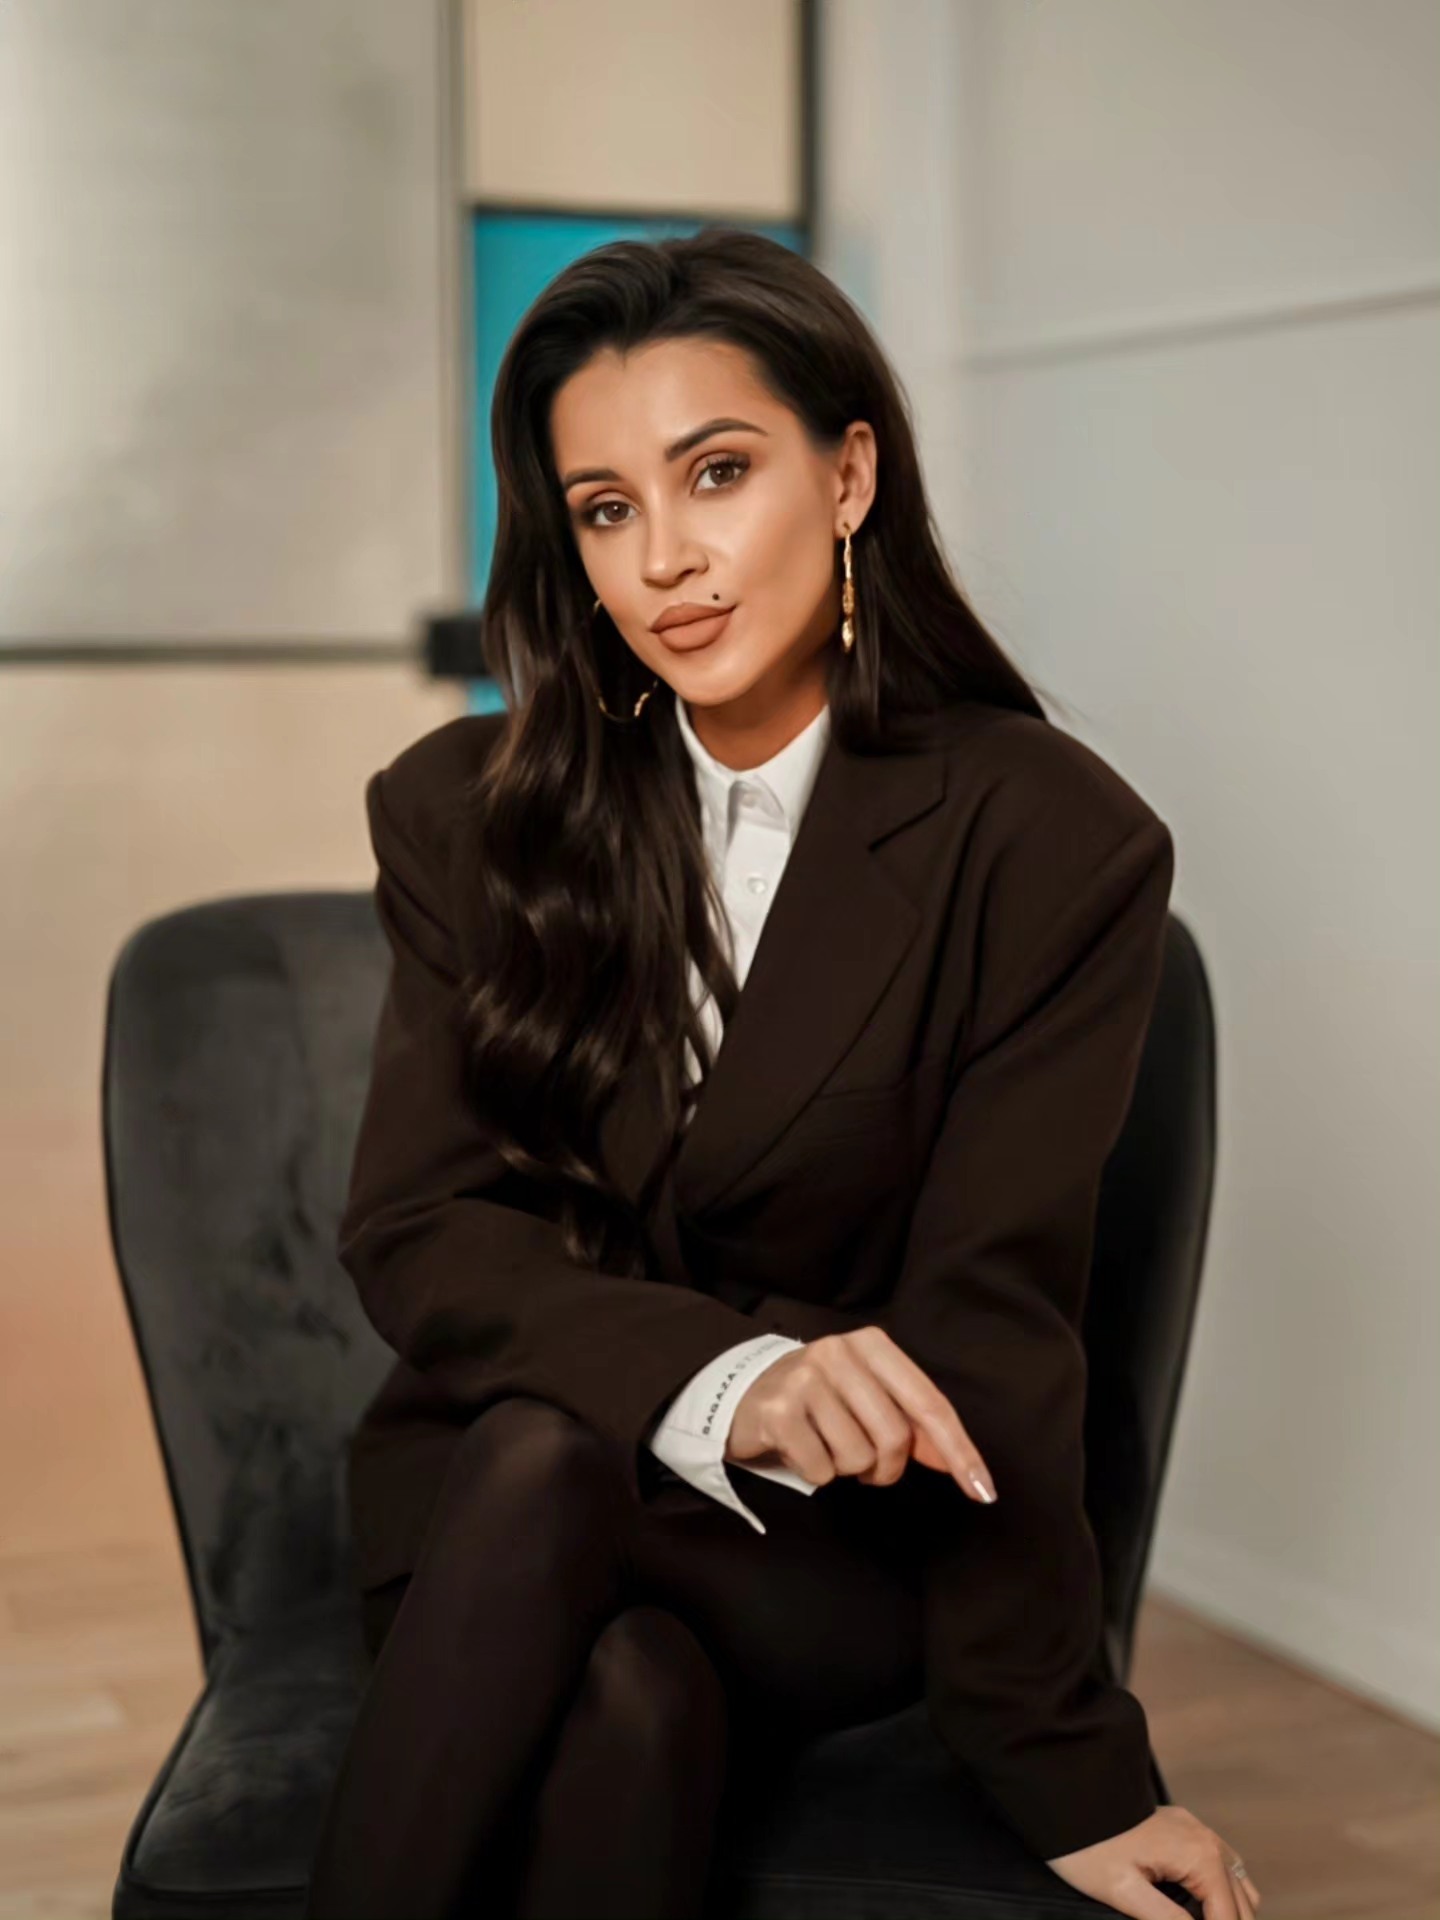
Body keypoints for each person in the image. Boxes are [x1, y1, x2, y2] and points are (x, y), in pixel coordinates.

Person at [304, 228, 1260, 1920]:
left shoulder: (1049, 840)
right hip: (489, 1523)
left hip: (825, 1549)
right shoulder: (470, 813)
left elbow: (995, 1322)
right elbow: (424, 1230)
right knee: (627, 1689)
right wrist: (728, 1373)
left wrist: (1076, 1772)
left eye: (717, 473)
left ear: (849, 476)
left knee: (558, 1477)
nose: (665, 558)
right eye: (606, 508)